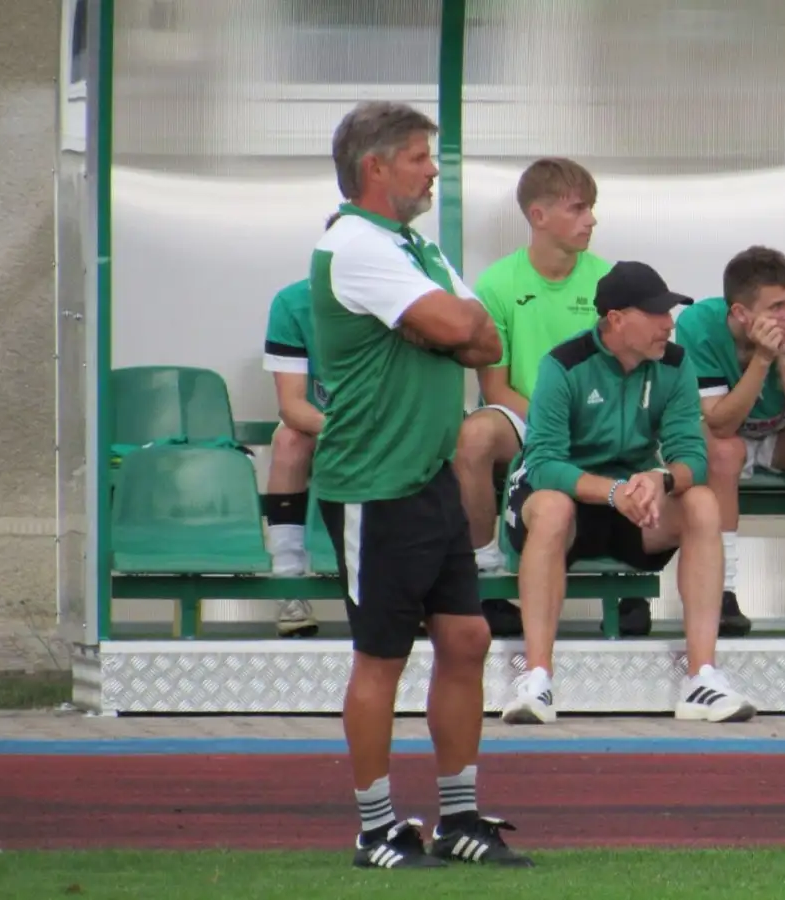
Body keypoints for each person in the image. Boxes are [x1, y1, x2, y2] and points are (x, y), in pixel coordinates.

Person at [310, 100, 529, 870]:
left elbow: (484, 338)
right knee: (382, 657)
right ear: (375, 167)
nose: (433, 171)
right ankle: (375, 829)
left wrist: (441, 326)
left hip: (430, 475)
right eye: (418, 157)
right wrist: (444, 327)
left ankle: (459, 819)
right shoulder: (354, 245)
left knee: (467, 639)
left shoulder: (418, 249)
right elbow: (457, 329)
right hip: (374, 482)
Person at [498, 260, 757, 726]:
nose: (669, 324)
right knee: (553, 508)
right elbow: (544, 463)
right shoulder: (564, 364)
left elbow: (691, 456)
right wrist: (613, 490)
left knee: (701, 502)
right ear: (616, 319)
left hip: (633, 503)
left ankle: (702, 677)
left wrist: (662, 480)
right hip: (564, 501)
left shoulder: (674, 364)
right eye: (656, 313)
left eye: (669, 312)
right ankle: (536, 680)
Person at [452, 159, 646, 637]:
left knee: (639, 430)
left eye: (591, 208)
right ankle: (486, 575)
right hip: (526, 416)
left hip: (598, 416)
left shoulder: (610, 282)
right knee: (473, 436)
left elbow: (631, 374)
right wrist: (553, 423)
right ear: (538, 216)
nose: (591, 220)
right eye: (578, 209)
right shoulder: (496, 284)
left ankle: (632, 587)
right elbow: (495, 388)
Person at [672, 246, 785, 637]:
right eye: (776, 307)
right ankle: (722, 594)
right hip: (730, 435)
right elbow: (721, 424)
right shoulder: (697, 323)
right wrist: (761, 359)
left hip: (782, 435)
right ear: (741, 313)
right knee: (722, 451)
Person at [259, 210, 343, 639]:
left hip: (387, 426)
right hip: (324, 425)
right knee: (289, 440)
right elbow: (293, 406)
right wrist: (344, 430)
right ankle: (289, 580)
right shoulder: (293, 304)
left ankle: (417, 590)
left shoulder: (399, 301)